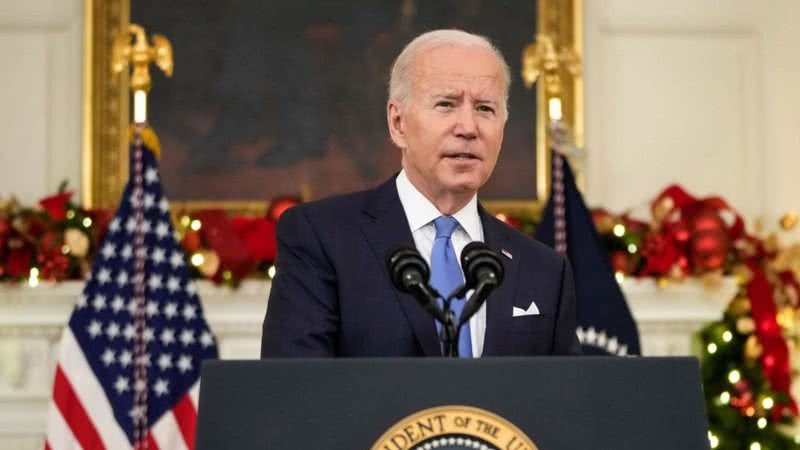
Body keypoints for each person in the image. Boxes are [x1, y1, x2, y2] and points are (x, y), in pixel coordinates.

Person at [261, 29, 580, 357]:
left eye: (485, 109)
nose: (469, 128)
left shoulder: (543, 270)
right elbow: (294, 391)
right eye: (446, 104)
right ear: (398, 123)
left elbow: (564, 401)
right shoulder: (322, 238)